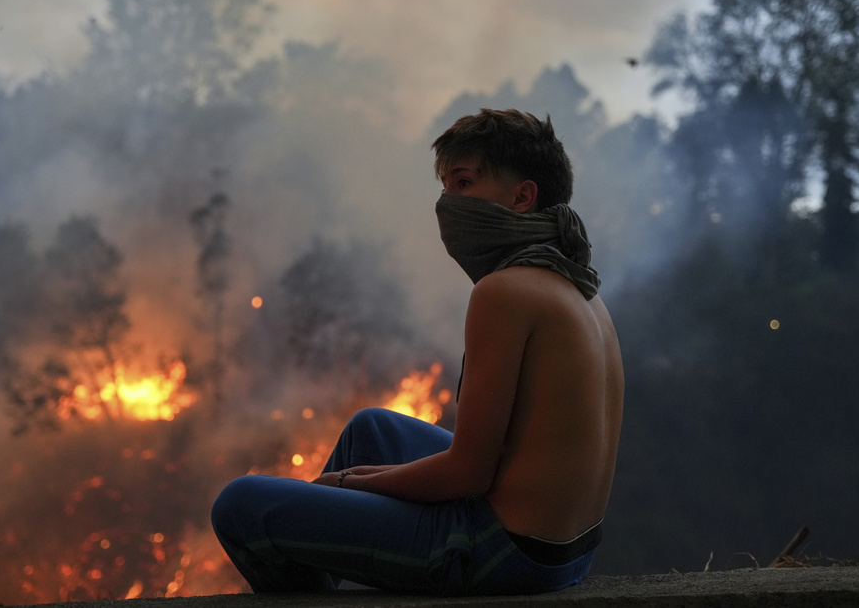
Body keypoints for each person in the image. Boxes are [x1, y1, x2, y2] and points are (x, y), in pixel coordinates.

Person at [211, 109, 625, 596]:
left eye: (464, 182)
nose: (447, 203)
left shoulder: (504, 292)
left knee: (240, 505)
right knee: (373, 428)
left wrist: (349, 485)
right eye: (446, 185)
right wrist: (363, 476)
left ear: (522, 197)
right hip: (566, 550)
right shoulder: (580, 289)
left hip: (505, 552)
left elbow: (469, 472)